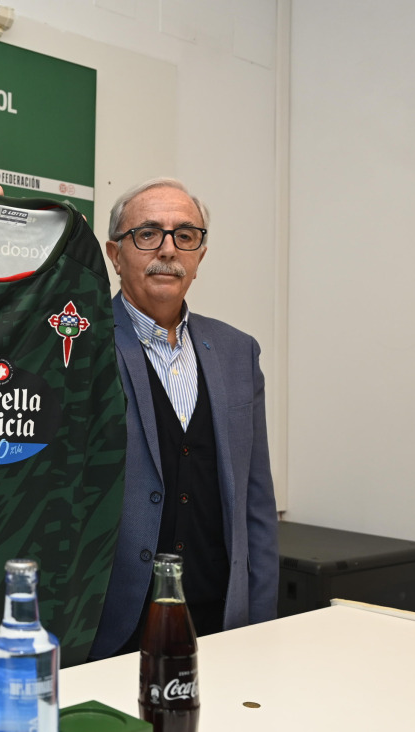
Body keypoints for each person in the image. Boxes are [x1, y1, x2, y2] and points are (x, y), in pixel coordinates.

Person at [88, 178, 279, 659]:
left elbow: (255, 502)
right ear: (115, 254)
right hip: (114, 626)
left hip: (218, 621)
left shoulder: (238, 351)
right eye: (148, 233)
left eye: (185, 235)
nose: (168, 249)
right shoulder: (80, 344)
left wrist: (262, 624)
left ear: (200, 256)